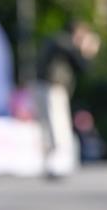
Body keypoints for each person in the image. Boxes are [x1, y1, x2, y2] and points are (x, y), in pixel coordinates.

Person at [35, 21, 100, 178]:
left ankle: (54, 163)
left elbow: (83, 69)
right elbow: (82, 65)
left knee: (53, 126)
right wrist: (86, 50)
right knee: (57, 127)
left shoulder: (61, 43)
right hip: (52, 89)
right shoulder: (63, 42)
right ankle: (56, 163)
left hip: (51, 89)